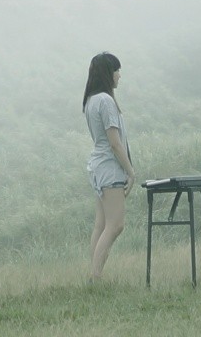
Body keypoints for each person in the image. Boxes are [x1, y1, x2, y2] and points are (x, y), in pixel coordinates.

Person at [83, 51, 138, 280]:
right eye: (116, 70)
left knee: (101, 224)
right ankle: (95, 277)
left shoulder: (91, 100)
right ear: (108, 73)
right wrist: (130, 171)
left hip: (98, 167)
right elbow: (115, 143)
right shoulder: (105, 101)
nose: (119, 75)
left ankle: (94, 275)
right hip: (109, 167)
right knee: (115, 225)